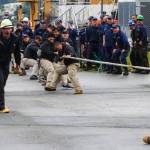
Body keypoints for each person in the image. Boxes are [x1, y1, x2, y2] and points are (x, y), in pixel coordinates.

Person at [0, 19, 21, 113]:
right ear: (1, 29)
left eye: (9, 28)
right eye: (5, 28)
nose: (7, 30)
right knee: (0, 83)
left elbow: (17, 53)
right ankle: (1, 107)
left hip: (6, 62)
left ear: (11, 29)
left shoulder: (15, 38)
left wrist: (18, 64)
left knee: (3, 82)